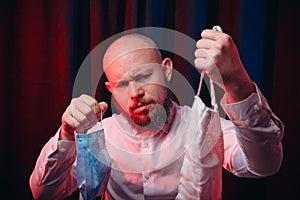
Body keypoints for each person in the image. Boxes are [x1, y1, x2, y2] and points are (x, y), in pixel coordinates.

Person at [29, 28, 284, 200]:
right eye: (122, 84)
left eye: (143, 76)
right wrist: (66, 134)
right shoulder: (99, 136)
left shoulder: (202, 127)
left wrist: (237, 81)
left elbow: (264, 165)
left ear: (167, 71)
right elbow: (44, 193)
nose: (135, 92)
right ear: (110, 89)